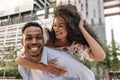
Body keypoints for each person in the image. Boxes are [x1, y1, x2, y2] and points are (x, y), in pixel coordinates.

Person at [16, 4, 106, 75]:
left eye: (60, 26)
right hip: (34, 72)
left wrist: (81, 28)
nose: (56, 29)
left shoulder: (74, 47)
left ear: (70, 27)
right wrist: (45, 68)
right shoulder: (44, 36)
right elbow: (19, 60)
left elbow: (100, 56)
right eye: (55, 25)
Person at [19, 22, 95, 80]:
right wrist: (43, 67)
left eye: (38, 37)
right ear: (22, 43)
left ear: (44, 41)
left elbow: (88, 75)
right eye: (28, 38)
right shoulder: (23, 67)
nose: (34, 42)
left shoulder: (60, 61)